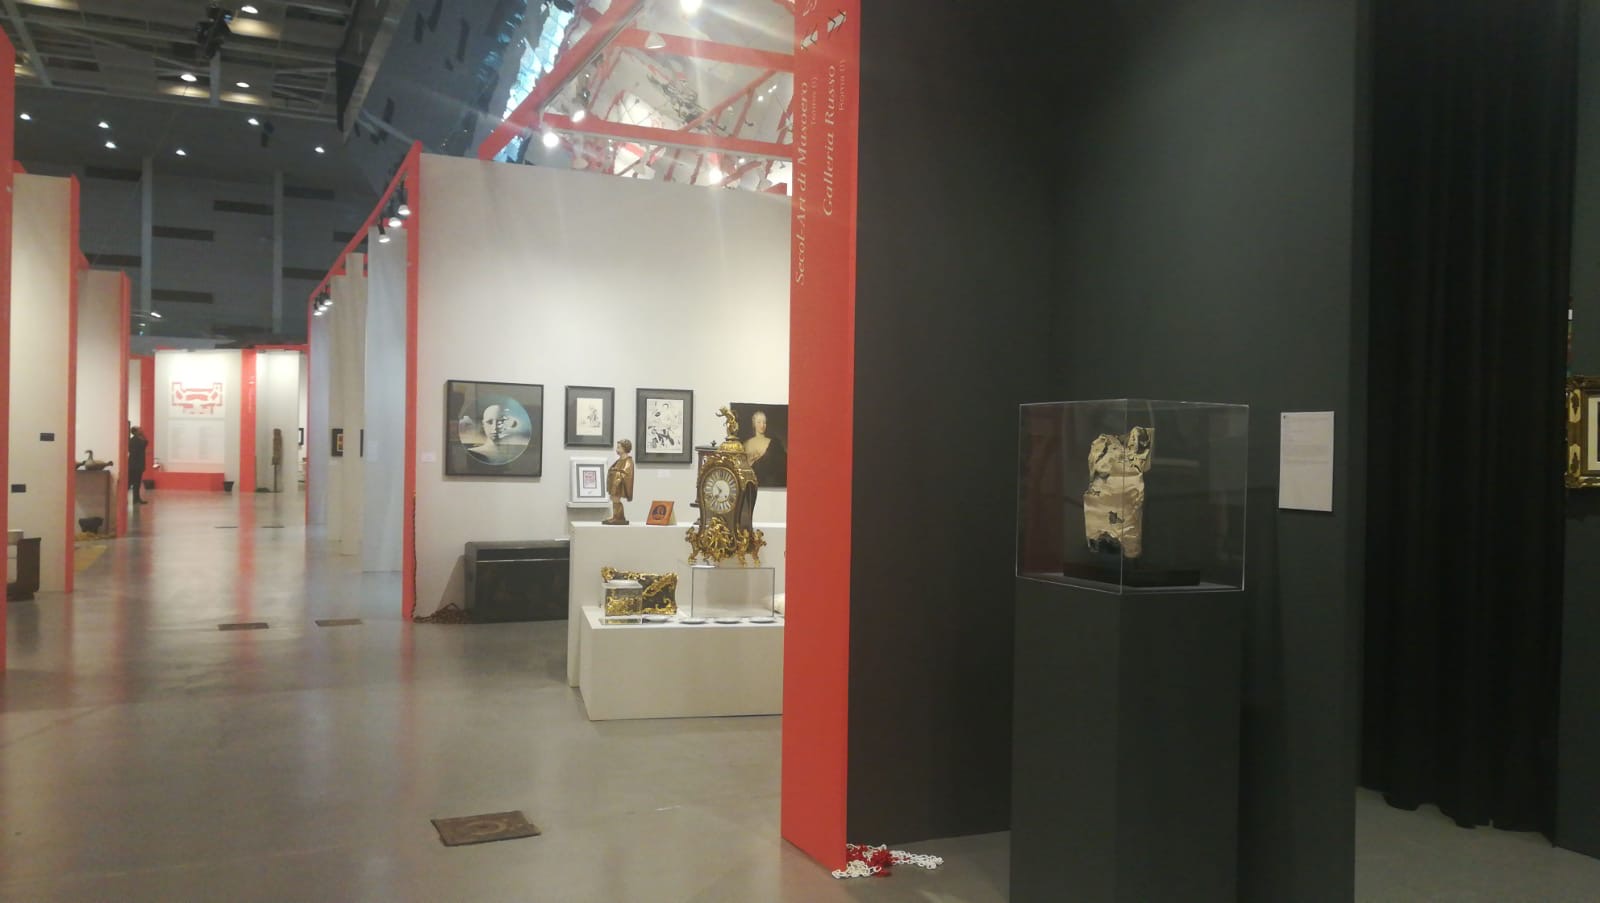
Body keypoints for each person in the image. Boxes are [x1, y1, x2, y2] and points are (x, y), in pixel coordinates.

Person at [745, 409, 788, 487]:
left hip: (770, 484)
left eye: (764, 422)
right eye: (759, 422)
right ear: (754, 424)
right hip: (752, 483)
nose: (762, 425)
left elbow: (782, 466)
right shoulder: (746, 444)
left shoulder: (774, 443)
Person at [602, 439, 634, 525]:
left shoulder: (628, 461)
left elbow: (626, 473)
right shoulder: (619, 460)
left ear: (625, 448)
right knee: (613, 499)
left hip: (620, 484)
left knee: (616, 499)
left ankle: (619, 517)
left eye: (619, 447)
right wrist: (613, 471)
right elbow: (614, 469)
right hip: (615, 484)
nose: (617, 449)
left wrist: (618, 475)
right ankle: (615, 516)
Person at [128, 426, 149, 505]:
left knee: (133, 483)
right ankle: (136, 499)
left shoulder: (131, 440)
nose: (141, 430)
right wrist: (143, 435)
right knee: (136, 483)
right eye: (139, 430)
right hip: (137, 465)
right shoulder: (138, 440)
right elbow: (146, 443)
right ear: (136, 432)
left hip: (132, 464)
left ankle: (135, 499)